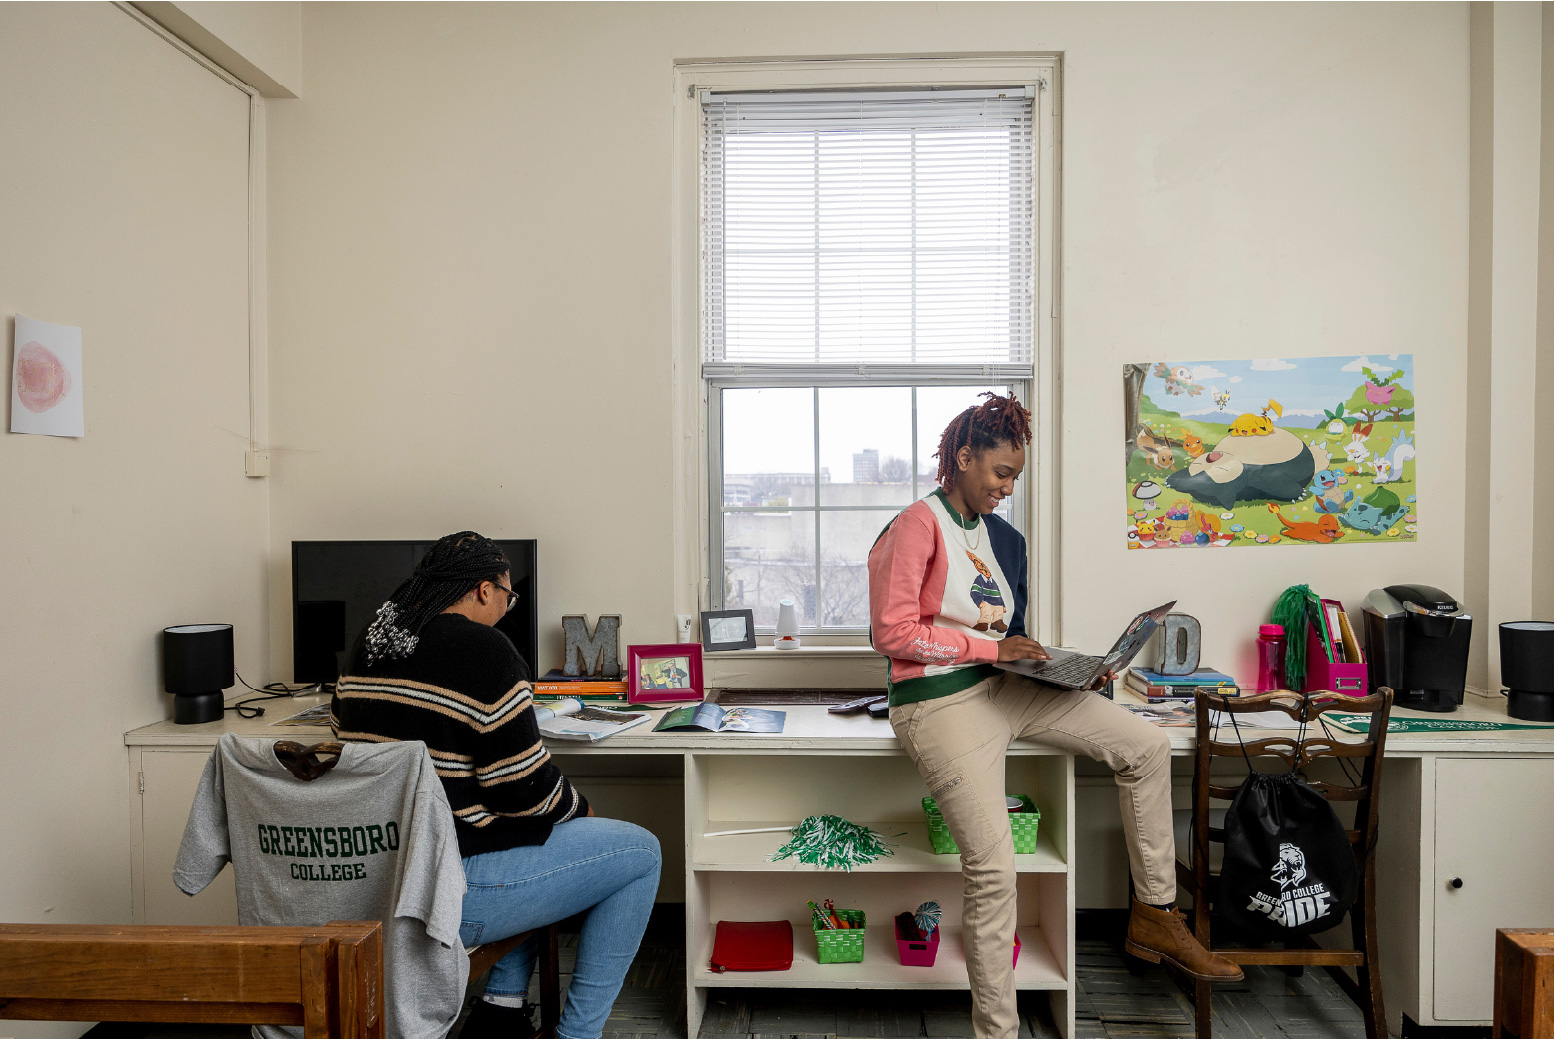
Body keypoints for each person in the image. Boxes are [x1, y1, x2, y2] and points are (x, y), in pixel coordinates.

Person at [867, 394, 1241, 1039]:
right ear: (962, 458)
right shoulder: (914, 526)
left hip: (1003, 687)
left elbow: (1004, 635)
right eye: (1000, 474)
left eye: (1015, 477)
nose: (1007, 488)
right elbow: (893, 633)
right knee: (994, 871)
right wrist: (992, 649)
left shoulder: (999, 539)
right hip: (939, 704)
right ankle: (999, 1033)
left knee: (1145, 747)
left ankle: (1155, 913)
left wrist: (1061, 667)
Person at [332, 531, 661, 1039]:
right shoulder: (487, 652)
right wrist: (581, 808)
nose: (508, 609)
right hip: (445, 898)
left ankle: (501, 1012)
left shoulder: (368, 645)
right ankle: (578, 1035)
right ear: (484, 590)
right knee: (640, 851)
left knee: (527, 834)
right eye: (508, 596)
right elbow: (523, 794)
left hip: (372, 880)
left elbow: (344, 746)